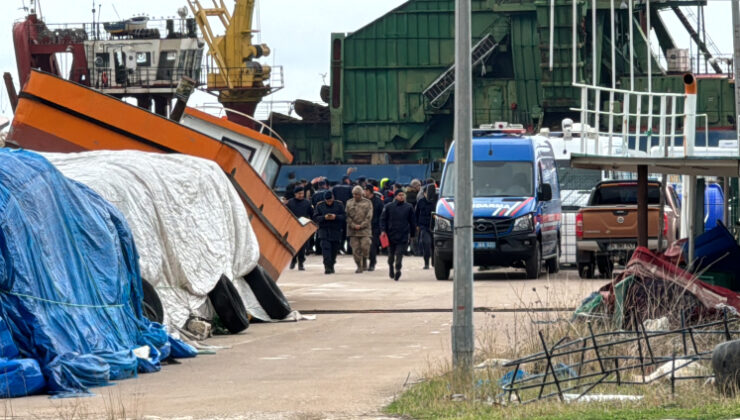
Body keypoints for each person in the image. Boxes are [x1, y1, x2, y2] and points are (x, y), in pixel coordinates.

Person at [380, 190, 416, 281]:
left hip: (403, 235)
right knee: (391, 255)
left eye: (403, 195)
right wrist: (383, 230)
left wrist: (412, 234)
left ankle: (398, 269)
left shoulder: (409, 207)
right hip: (390, 234)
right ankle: (391, 268)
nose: (401, 197)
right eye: (399, 195)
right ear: (395, 196)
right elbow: (383, 220)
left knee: (399, 254)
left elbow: (412, 222)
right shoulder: (388, 207)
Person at [313, 191, 345, 274]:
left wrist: (335, 217)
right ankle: (327, 267)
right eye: (327, 201)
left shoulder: (339, 205)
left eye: (330, 200)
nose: (329, 202)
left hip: (336, 231)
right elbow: (316, 218)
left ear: (333, 198)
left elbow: (344, 216)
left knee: (334, 250)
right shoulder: (320, 206)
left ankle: (332, 264)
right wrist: (324, 217)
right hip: (324, 231)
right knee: (326, 250)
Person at [345, 186, 373, 273]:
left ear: (361, 194)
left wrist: (362, 225)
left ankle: (364, 259)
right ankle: (359, 266)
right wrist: (353, 225)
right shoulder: (349, 203)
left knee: (365, 246)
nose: (355, 196)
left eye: (357, 194)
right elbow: (347, 216)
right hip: (353, 230)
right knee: (355, 250)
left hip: (365, 230)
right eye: (353, 194)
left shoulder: (368, 203)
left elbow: (369, 216)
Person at [286, 186, 313, 270]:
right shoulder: (290, 203)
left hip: (303, 227)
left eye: (302, 193)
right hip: (293, 227)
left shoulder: (307, 203)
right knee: (293, 246)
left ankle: (301, 263)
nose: (301, 195)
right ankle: (293, 260)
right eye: (299, 193)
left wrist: (311, 223)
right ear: (295, 194)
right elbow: (286, 214)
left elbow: (312, 214)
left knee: (302, 247)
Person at [415, 184, 436, 269]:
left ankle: (435, 263)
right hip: (424, 226)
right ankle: (426, 263)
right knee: (426, 244)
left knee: (434, 246)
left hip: (435, 227)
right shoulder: (421, 202)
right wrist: (416, 224)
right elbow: (416, 214)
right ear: (424, 193)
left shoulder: (436, 201)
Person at [365, 184, 384, 271]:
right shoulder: (363, 201)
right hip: (364, 227)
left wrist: (381, 227)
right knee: (363, 246)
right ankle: (364, 263)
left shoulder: (378, 201)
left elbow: (382, 215)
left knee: (372, 246)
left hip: (375, 227)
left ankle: (372, 263)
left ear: (369, 191)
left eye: (365, 190)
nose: (364, 192)